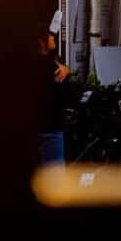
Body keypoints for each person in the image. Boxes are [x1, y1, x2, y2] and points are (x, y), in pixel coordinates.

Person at [34, 18, 71, 167]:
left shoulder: (55, 63)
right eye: (50, 36)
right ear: (42, 42)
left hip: (46, 128)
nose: (53, 38)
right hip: (50, 131)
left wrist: (66, 70)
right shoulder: (51, 66)